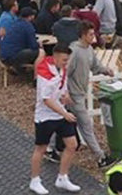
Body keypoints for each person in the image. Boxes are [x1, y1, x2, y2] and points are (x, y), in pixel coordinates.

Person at [28, 43, 81, 194]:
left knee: (72, 144)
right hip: (45, 116)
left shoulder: (61, 69)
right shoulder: (45, 72)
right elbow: (46, 99)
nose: (67, 63)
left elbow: (62, 87)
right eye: (64, 60)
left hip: (59, 112)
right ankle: (35, 180)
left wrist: (66, 96)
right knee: (41, 148)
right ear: (55, 57)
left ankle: (62, 177)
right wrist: (65, 113)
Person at [66, 21, 116, 169]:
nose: (93, 37)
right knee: (86, 125)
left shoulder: (89, 50)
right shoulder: (74, 52)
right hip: (73, 95)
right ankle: (100, 157)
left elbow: (95, 66)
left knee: (63, 122)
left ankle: (51, 148)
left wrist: (106, 70)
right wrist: (66, 92)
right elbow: (66, 74)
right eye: (90, 34)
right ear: (82, 35)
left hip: (78, 93)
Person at [1, 7, 42, 77]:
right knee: (41, 52)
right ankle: (37, 77)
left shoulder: (14, 23)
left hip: (3, 56)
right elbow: (33, 46)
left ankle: (21, 70)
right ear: (30, 17)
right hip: (13, 57)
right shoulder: (28, 26)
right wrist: (39, 44)